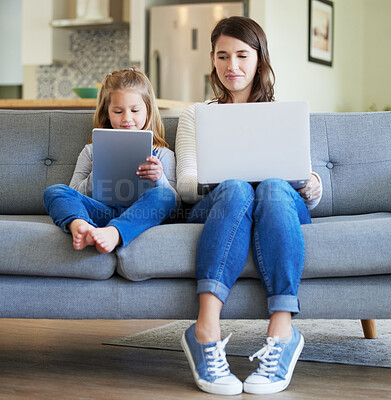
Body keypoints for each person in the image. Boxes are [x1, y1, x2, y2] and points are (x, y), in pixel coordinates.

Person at [176, 16, 322, 396]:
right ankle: (205, 331)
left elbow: (308, 187)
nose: (232, 66)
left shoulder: (279, 113)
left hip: (277, 202)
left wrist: (312, 183)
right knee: (240, 189)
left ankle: (282, 332)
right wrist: (226, 176)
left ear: (259, 59)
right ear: (212, 60)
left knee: (273, 187)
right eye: (222, 56)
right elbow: (187, 187)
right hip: (224, 202)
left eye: (242, 55)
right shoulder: (197, 114)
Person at [44, 67, 179, 254]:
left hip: (140, 214)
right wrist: (94, 176)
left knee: (166, 196)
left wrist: (159, 178)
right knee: (55, 191)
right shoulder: (90, 151)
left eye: (135, 110)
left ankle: (114, 232)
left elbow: (175, 202)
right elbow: (74, 191)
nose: (127, 118)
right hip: (101, 212)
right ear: (107, 112)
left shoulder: (163, 153)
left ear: (148, 111)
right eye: (118, 111)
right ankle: (80, 226)